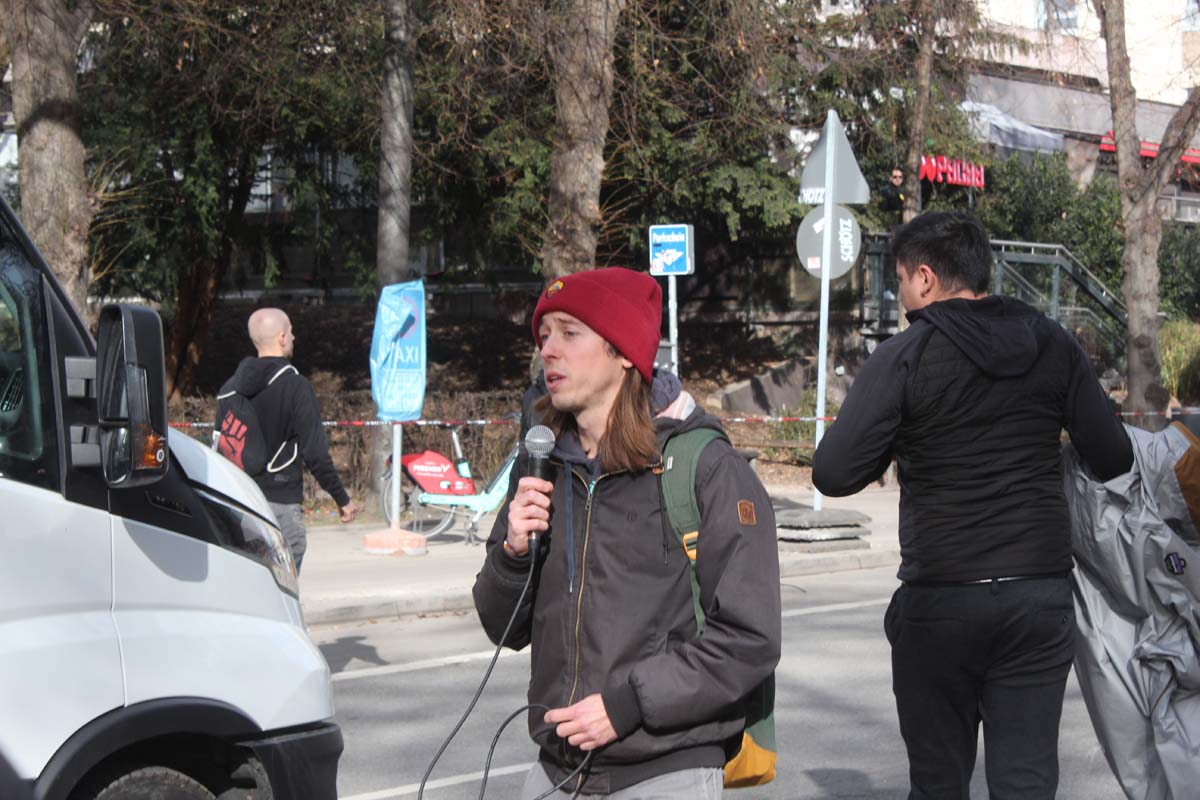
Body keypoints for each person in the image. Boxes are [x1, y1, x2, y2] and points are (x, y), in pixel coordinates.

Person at [812, 211, 1133, 799]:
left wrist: (899, 436)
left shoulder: (904, 355)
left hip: (941, 599)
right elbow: (1113, 457)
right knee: (1027, 782)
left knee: (938, 784)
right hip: (1037, 597)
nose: (902, 294)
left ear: (927, 279)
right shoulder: (1053, 343)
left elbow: (834, 473)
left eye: (901, 281)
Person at [472, 268, 781, 799]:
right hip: (556, 769)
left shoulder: (702, 466)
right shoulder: (540, 464)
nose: (548, 350)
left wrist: (627, 705)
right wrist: (512, 555)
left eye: (570, 333)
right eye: (544, 334)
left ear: (622, 351)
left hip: (666, 768)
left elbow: (749, 638)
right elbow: (504, 629)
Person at [218, 307, 357, 572]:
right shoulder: (296, 387)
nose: (294, 337)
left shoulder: (228, 389)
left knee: (247, 583)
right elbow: (314, 452)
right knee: (281, 589)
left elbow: (220, 447)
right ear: (282, 337)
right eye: (291, 332)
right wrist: (342, 499)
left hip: (237, 502)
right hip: (280, 503)